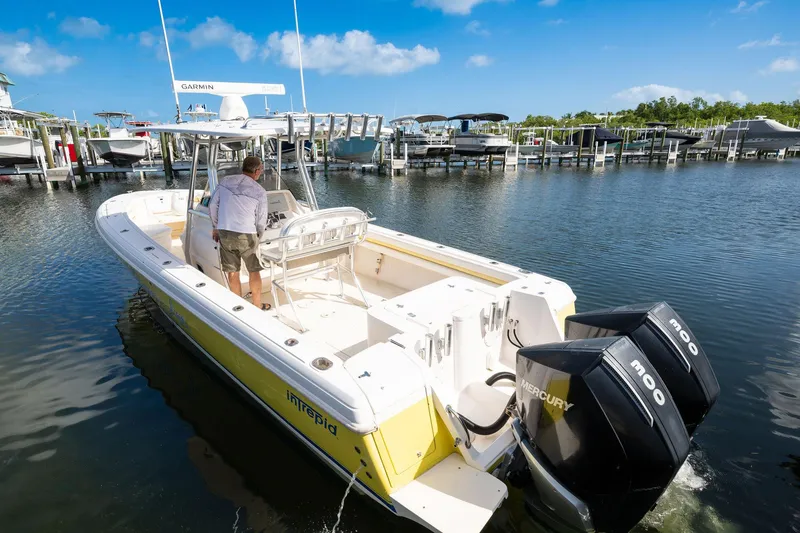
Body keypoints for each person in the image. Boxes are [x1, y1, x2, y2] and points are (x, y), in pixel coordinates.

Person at [209, 156, 270, 310]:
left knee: (232, 271)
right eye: (261, 169)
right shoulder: (260, 191)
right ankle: (257, 305)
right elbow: (261, 220)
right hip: (247, 234)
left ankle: (239, 307)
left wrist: (216, 227)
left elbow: (212, 206)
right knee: (253, 271)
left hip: (225, 232)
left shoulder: (225, 181)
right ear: (257, 171)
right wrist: (258, 236)